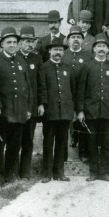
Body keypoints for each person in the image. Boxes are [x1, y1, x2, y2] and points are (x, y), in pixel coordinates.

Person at [0, 27, 33, 184]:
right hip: (3, 112)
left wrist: (28, 108)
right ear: (2, 44)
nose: (12, 45)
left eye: (15, 42)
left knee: (15, 145)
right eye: (9, 42)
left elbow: (27, 87)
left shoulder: (21, 61)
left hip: (19, 112)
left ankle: (10, 175)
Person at [77, 34, 109, 182]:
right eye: (98, 46)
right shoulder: (87, 66)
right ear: (94, 48)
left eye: (104, 46)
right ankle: (94, 172)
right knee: (92, 141)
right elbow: (81, 90)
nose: (101, 49)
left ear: (108, 49)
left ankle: (106, 172)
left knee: (107, 142)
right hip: (91, 111)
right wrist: (81, 110)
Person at [40, 39, 77, 183]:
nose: (58, 53)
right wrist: (42, 105)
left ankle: (59, 172)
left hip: (65, 112)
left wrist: (72, 110)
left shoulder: (68, 68)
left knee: (62, 143)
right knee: (48, 142)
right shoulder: (43, 67)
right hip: (50, 112)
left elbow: (72, 90)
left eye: (60, 50)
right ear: (49, 51)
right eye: (55, 50)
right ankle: (47, 173)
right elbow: (41, 89)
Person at [16, 25, 46, 180]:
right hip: (16, 107)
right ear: (20, 42)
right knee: (15, 140)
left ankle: (25, 171)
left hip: (32, 107)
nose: (29, 44)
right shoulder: (14, 57)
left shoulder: (37, 58)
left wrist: (41, 103)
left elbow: (41, 83)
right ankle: (13, 169)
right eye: (26, 41)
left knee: (28, 140)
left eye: (32, 41)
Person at [62, 25, 93, 153]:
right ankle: (66, 155)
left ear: (82, 40)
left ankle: (84, 152)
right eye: (73, 37)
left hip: (84, 96)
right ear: (68, 40)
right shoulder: (63, 54)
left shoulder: (88, 56)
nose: (75, 40)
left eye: (78, 37)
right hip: (66, 96)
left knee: (82, 124)